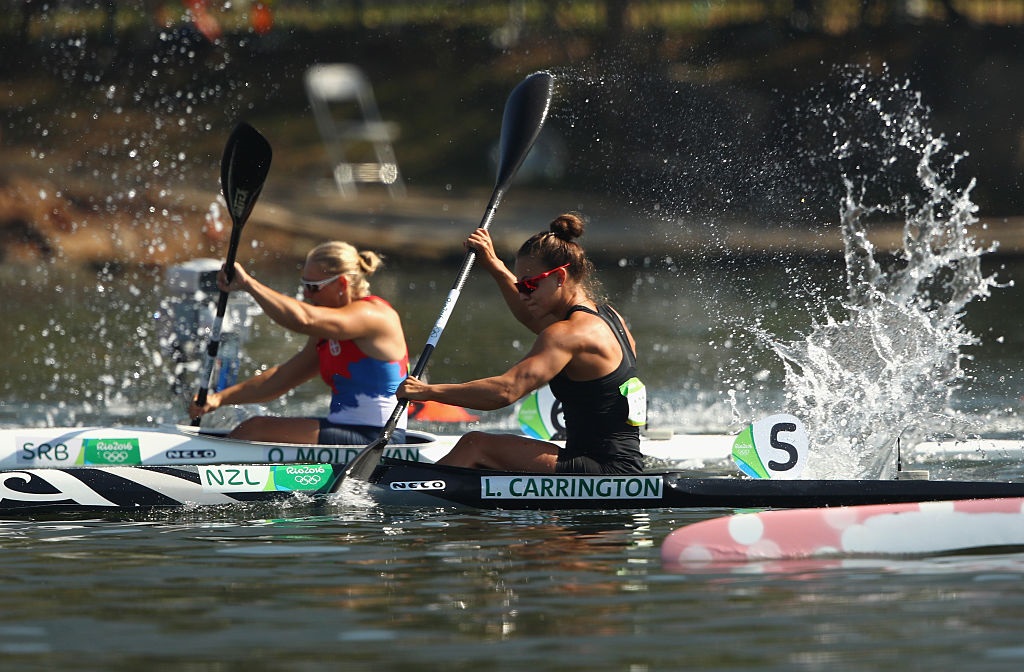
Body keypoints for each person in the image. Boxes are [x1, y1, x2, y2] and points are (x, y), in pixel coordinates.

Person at [398, 213, 646, 474]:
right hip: (616, 462)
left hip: (603, 471)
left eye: (529, 285)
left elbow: (506, 392)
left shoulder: (568, 334)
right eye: (520, 285)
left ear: (559, 277)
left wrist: (427, 392)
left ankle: (408, 498)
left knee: (475, 445)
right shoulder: (607, 317)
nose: (523, 294)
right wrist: (493, 264)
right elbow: (530, 316)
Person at [189, 241, 409, 445]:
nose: (305, 294)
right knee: (256, 426)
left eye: (313, 287)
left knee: (256, 429)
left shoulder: (373, 316)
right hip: (346, 430)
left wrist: (248, 285)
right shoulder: (329, 330)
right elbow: (282, 379)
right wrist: (218, 398)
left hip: (380, 438)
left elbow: (304, 320)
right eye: (304, 284)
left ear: (342, 283)